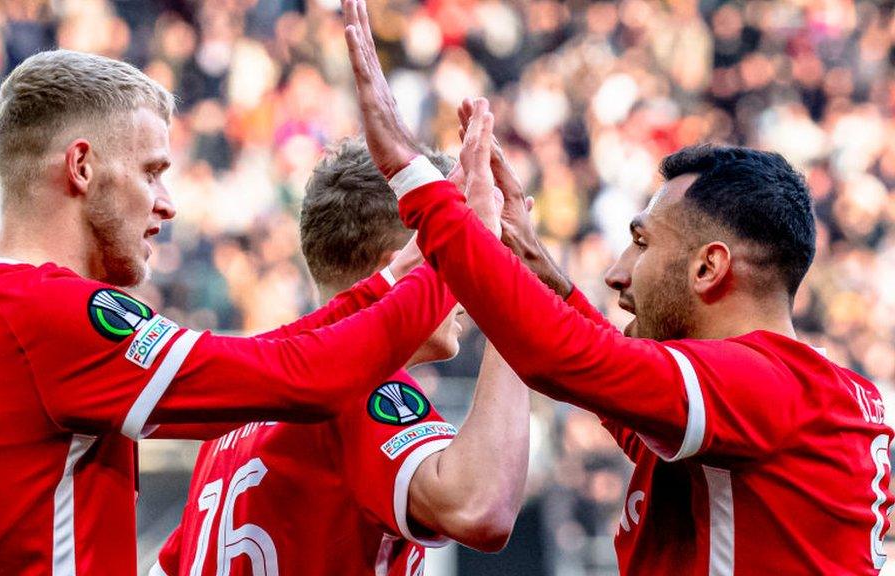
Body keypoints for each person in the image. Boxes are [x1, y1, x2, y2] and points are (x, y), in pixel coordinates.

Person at [340, 0, 895, 573]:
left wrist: (409, 173)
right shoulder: (787, 398)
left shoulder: (761, 384)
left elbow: (568, 359)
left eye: (643, 243)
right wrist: (541, 272)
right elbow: (623, 401)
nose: (616, 272)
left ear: (709, 268)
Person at [0, 49, 453, 575]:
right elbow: (295, 379)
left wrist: (381, 288)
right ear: (81, 166)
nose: (168, 202)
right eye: (151, 171)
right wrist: (452, 254)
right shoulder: (45, 312)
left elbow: (263, 359)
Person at [150, 138, 530, 576]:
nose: (472, 285)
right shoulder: (363, 385)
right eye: (465, 256)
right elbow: (479, 507)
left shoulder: (237, 417)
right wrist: (513, 289)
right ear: (414, 265)